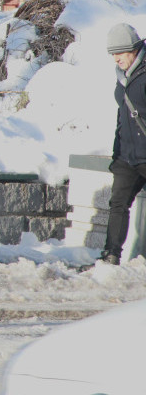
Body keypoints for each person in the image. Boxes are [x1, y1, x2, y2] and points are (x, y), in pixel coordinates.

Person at [98, 23, 146, 265]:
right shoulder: (123, 78)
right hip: (127, 157)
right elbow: (123, 115)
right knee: (118, 204)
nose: (116, 58)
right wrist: (117, 155)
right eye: (113, 54)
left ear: (135, 50)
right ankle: (111, 255)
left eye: (121, 53)